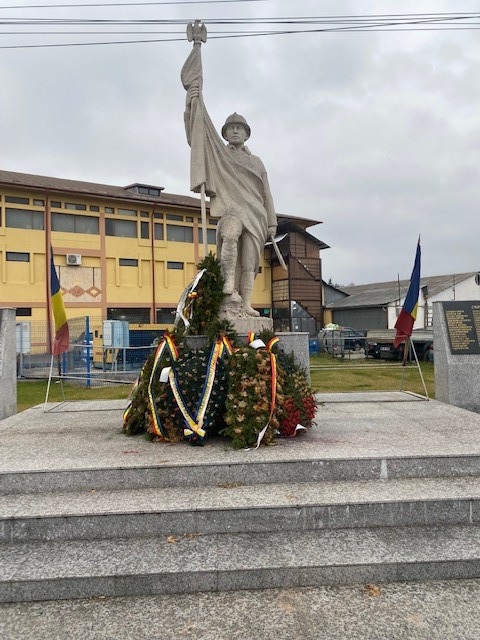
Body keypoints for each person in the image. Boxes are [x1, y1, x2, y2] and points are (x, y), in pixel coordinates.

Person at [184, 81, 277, 317]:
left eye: (240, 128)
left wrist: (272, 223)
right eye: (231, 128)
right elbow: (196, 140)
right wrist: (192, 107)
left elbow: (267, 194)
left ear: (246, 133)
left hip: (256, 213)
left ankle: (245, 303)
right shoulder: (219, 155)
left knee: (249, 263)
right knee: (230, 236)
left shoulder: (257, 162)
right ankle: (227, 284)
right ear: (224, 133)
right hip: (231, 210)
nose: (235, 131)